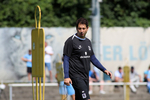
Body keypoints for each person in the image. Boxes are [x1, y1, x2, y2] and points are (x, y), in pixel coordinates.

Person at [63, 17, 112, 100]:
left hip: (85, 76)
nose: (81, 31)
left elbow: (92, 58)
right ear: (76, 28)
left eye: (83, 28)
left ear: (87, 28)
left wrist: (104, 69)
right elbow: (66, 59)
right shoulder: (71, 41)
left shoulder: (88, 42)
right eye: (79, 28)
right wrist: (66, 76)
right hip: (76, 76)